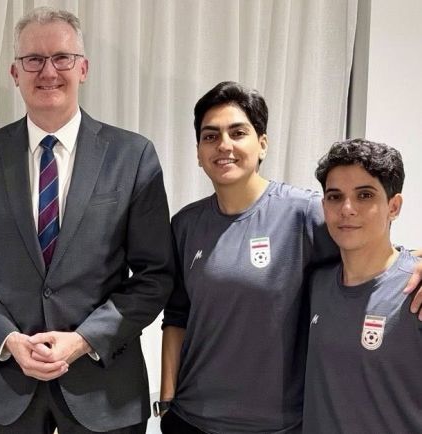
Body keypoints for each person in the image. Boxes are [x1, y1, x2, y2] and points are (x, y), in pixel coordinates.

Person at [0, 6, 173, 433]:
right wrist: (8, 340)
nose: (47, 71)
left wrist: (85, 340)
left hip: (105, 388)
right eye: (33, 59)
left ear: (83, 68)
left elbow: (154, 275)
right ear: (15, 73)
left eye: (61, 58)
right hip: (8, 387)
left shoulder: (133, 156)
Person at [159, 82, 422, 433]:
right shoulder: (186, 224)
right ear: (198, 151)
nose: (224, 145)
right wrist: (167, 402)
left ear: (262, 143)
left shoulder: (305, 213)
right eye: (211, 136)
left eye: (238, 132)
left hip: (276, 425)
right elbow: (176, 315)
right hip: (192, 419)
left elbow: (370, 247)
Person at [304, 139, 421, 432]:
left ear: (393, 206)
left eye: (364, 195)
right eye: (334, 197)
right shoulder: (314, 283)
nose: (347, 209)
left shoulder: (415, 291)